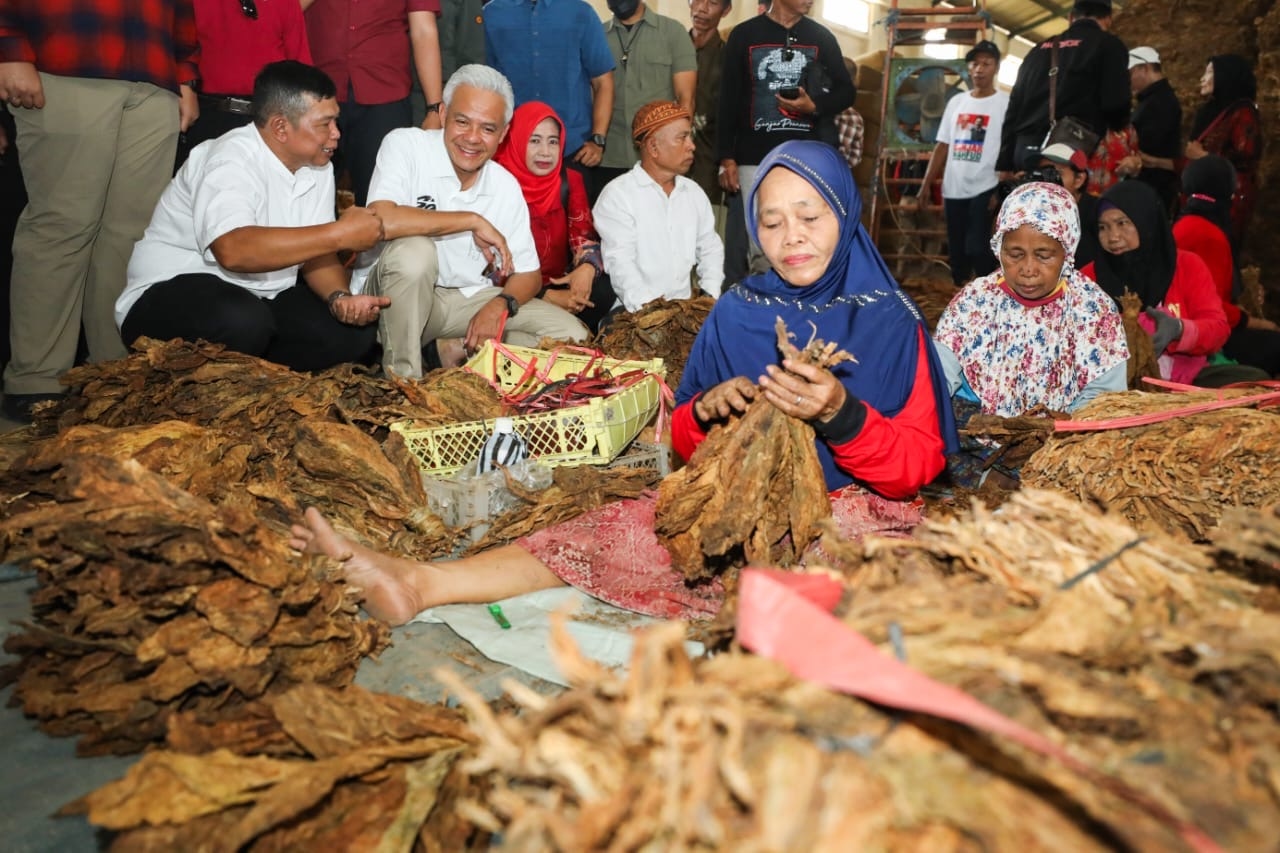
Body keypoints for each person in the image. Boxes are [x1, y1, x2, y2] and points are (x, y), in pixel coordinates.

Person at [289, 140, 958, 624]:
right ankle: (418, 582)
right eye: (772, 220)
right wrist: (710, 413)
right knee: (613, 527)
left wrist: (840, 414)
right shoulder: (738, 310)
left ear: (845, 213)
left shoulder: (890, 321)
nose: (792, 238)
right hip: (731, 508)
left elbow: (915, 466)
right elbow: (689, 447)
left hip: (848, 511)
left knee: (858, 584)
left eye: (810, 217)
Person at [0, 0, 200, 423]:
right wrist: (8, 50)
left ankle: (112, 371)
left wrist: (184, 75)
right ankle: (36, 377)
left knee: (131, 235)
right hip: (65, 64)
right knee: (62, 225)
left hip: (153, 75)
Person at [115, 61, 386, 371]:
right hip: (169, 293)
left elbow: (315, 256)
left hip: (259, 301)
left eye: (336, 121)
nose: (336, 134)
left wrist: (340, 298)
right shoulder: (229, 158)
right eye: (325, 124)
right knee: (242, 320)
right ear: (281, 127)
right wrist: (340, 233)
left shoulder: (318, 165)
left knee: (350, 334)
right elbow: (233, 250)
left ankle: (264, 389)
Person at [356, 64, 588, 380]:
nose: (472, 139)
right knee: (415, 251)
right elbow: (380, 219)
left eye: (488, 129)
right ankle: (403, 384)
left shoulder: (504, 185)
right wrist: (470, 220)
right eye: (462, 122)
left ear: (504, 133)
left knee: (571, 336)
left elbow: (530, 274)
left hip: (467, 302)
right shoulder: (407, 145)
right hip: (393, 301)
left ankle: (445, 354)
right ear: (442, 113)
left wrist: (501, 305)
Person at [934, 182, 1129, 419]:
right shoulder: (974, 302)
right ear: (999, 249)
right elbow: (937, 380)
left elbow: (1103, 399)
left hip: (1062, 437)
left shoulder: (1092, 310)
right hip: (976, 429)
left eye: (1043, 256)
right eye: (1015, 255)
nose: (1028, 269)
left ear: (1067, 253)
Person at [717, 0, 855, 286]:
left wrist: (814, 105)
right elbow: (727, 99)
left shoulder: (821, 37)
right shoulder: (744, 36)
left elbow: (846, 92)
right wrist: (726, 157)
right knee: (762, 245)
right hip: (753, 156)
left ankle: (800, 308)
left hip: (806, 160)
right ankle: (767, 316)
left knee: (802, 237)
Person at [1080, 181, 1250, 387]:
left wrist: (1179, 330)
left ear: (1147, 222)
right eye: (1103, 227)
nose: (1113, 237)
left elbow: (1218, 329)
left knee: (1250, 381)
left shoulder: (1186, 266)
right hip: (1113, 386)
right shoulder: (1088, 278)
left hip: (1185, 380)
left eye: (1122, 223)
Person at [303, 0, 444, 206]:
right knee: (308, 195)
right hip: (313, 94)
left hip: (385, 95)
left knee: (381, 198)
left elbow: (424, 30)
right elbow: (278, 12)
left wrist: (433, 108)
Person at [493, 101, 616, 333]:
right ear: (516, 139)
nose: (545, 152)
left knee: (604, 288)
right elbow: (489, 268)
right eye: (535, 140)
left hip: (558, 281)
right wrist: (545, 296)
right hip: (509, 287)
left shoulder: (569, 180)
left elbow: (586, 239)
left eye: (553, 142)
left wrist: (587, 268)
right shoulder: (495, 181)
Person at [593, 101, 723, 314]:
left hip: (684, 308)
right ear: (653, 147)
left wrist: (709, 297)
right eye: (682, 138)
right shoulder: (618, 195)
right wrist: (653, 314)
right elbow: (621, 265)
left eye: (690, 137)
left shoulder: (693, 192)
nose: (692, 145)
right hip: (633, 310)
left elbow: (710, 249)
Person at [909, 39, 1008, 287]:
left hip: (986, 184)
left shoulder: (1005, 103)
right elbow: (942, 145)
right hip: (954, 187)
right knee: (957, 249)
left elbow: (1010, 145)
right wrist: (925, 186)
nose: (979, 69)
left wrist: (1003, 187)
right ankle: (960, 294)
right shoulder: (957, 102)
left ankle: (988, 293)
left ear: (996, 68)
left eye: (986, 63)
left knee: (978, 246)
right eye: (974, 63)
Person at [483, 0, 615, 182]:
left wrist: (598, 140)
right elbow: (484, 85)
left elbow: (603, 81)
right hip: (512, 152)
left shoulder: (581, 13)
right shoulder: (491, 14)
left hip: (574, 151)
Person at [1172, 155, 1280, 376]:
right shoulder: (1210, 235)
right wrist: (1256, 321)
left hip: (1184, 327)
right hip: (1203, 336)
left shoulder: (1183, 223)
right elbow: (1216, 308)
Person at [997, 0, 1129, 174]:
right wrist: (1118, 124)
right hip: (1069, 152)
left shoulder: (1037, 50)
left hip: (1025, 151)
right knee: (1064, 200)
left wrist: (1005, 164)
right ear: (1108, 19)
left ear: (1070, 17)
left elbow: (1013, 110)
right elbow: (1116, 104)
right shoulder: (1110, 45)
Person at [177, 0, 313, 169]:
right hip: (206, 116)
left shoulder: (285, 3)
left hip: (268, 120)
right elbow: (180, 49)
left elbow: (301, 71)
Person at [594, 1, 697, 200]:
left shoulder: (673, 32)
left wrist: (679, 148)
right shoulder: (597, 35)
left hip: (657, 160)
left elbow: (687, 99)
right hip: (607, 157)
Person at [1185, 54, 1261, 245]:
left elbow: (1246, 155)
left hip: (1227, 200)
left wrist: (1203, 156)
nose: (1202, 78)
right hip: (1205, 195)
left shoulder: (1242, 112)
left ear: (1225, 76)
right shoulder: (1213, 111)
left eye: (1210, 72)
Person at [687, 0, 732, 208]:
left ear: (726, 10)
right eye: (696, 0)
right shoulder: (672, 48)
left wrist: (727, 161)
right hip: (664, 155)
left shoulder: (729, 58)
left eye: (712, 2)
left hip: (707, 161)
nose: (701, 9)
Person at [1127, 46, 1181, 214]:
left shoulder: (1160, 102)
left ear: (1144, 68)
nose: (1128, 81)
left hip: (1153, 187)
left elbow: (1146, 145)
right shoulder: (1151, 100)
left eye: (1130, 74)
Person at [1036, 141, 1102, 270]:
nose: (1047, 180)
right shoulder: (1034, 206)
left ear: (1079, 180)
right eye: (1042, 172)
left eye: (1056, 174)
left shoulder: (1098, 213)